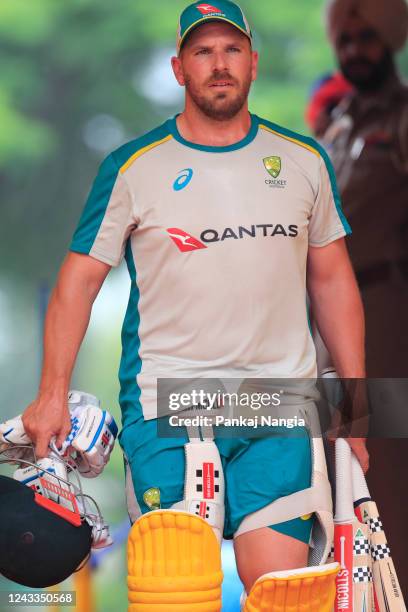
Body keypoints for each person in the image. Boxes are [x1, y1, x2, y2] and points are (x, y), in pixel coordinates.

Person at [20, 1, 367, 608]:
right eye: (202, 52)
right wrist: (52, 393)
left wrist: (357, 409)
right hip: (166, 405)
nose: (219, 65)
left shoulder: (304, 162)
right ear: (180, 69)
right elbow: (78, 281)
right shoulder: (131, 168)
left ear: (253, 63)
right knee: (174, 591)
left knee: (287, 595)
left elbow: (334, 282)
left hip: (279, 405)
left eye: (231, 50)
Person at [320, 0, 408, 596]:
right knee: (341, 478)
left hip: (391, 322)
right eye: (345, 38)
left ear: (391, 39)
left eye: (366, 36)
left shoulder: (403, 120)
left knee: (390, 481)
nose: (354, 48)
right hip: (333, 331)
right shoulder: (336, 123)